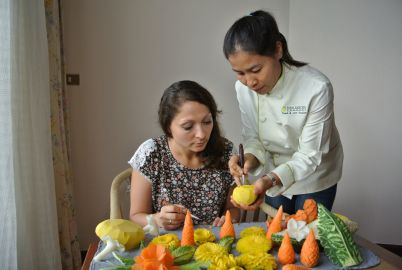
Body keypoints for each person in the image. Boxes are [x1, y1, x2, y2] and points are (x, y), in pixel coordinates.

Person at [223, 10, 343, 215]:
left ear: (278, 50)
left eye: (255, 69)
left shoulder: (316, 87)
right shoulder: (242, 88)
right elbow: (253, 136)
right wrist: (250, 158)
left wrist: (268, 180)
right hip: (271, 170)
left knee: (307, 238)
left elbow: (309, 155)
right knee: (276, 233)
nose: (249, 82)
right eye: (240, 73)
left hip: (315, 174)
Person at [128, 80, 240, 230]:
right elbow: (136, 216)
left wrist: (227, 219)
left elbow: (233, 210)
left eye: (207, 122)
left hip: (213, 244)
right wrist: (157, 219)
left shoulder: (226, 152)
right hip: (166, 244)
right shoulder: (151, 153)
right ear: (168, 126)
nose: (201, 134)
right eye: (188, 126)